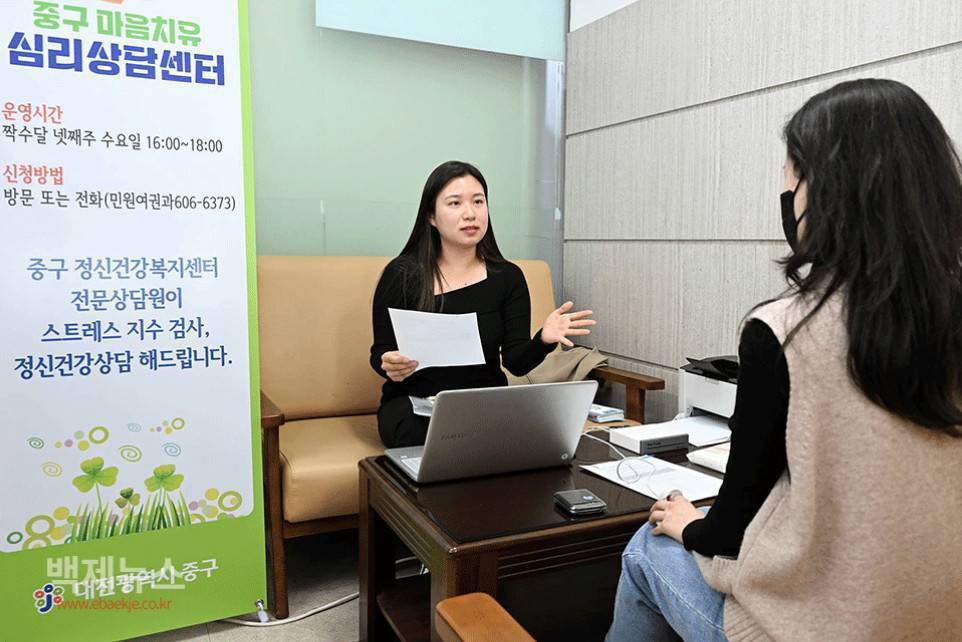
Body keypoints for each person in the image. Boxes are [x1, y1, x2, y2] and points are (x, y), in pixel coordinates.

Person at [607, 78, 962, 641]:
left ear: (825, 192)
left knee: (648, 546)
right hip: (940, 620)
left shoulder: (784, 329)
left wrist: (689, 525)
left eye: (791, 176)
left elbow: (729, 530)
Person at [370, 160, 595, 448]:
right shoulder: (401, 274)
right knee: (423, 432)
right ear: (431, 216)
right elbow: (380, 351)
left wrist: (544, 340)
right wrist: (389, 363)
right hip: (415, 405)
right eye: (455, 203)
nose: (470, 213)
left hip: (483, 403)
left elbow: (516, 363)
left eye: (478, 201)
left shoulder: (508, 277)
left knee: (536, 431)